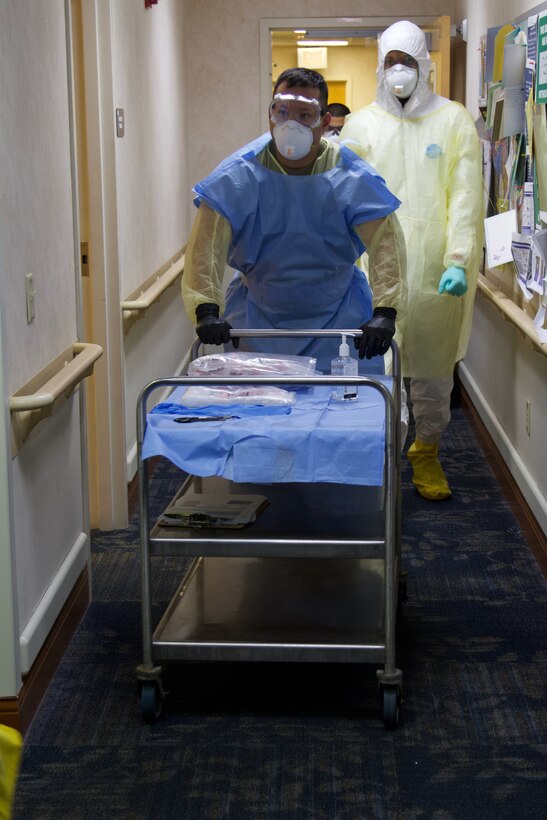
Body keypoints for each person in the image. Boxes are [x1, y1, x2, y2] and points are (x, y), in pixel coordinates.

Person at [181, 67, 406, 378]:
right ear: (270, 114)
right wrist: (206, 310)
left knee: (343, 412)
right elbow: (206, 246)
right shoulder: (237, 177)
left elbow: (387, 247)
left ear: (325, 122)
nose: (291, 124)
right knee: (260, 410)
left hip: (338, 319)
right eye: (282, 111)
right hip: (258, 319)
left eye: (305, 115)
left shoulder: (351, 177)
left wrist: (385, 312)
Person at [341, 21, 483, 500]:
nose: (399, 72)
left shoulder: (454, 120)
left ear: (424, 65)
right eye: (391, 63)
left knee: (431, 372)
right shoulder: (361, 125)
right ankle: (379, 457)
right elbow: (342, 195)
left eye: (407, 62)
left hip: (434, 272)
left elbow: (465, 195)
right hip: (372, 273)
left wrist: (459, 259)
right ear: (380, 68)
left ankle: (426, 451)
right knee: (377, 371)